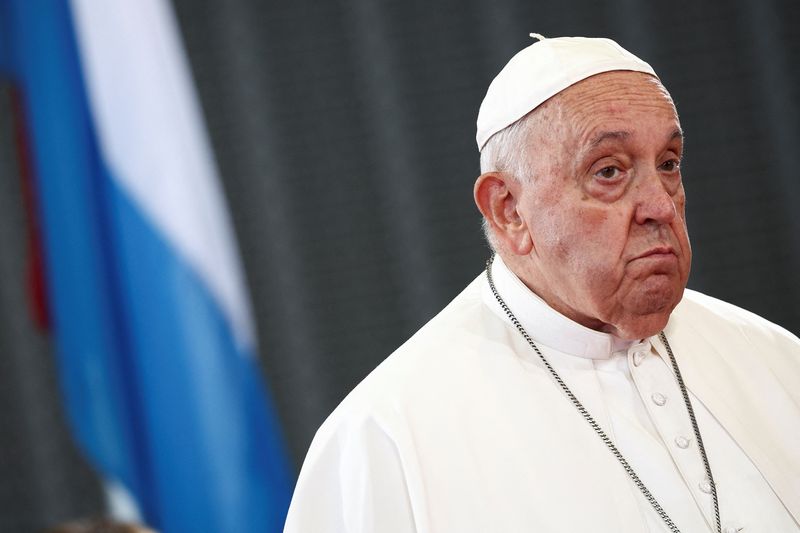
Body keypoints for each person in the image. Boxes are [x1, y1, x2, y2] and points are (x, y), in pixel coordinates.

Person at [283, 35, 800, 533]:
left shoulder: (775, 359)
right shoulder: (386, 437)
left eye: (668, 165)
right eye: (609, 171)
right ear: (508, 210)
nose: (661, 206)